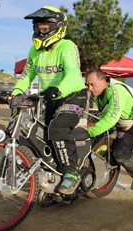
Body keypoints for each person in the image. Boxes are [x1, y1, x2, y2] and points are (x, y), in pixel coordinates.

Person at [10, 6, 88, 195]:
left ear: (58, 27)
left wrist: (59, 89)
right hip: (51, 98)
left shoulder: (67, 46)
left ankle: (71, 172)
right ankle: (52, 176)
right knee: (40, 135)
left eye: (44, 28)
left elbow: (73, 75)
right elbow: (26, 77)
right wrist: (15, 93)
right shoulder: (34, 51)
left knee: (57, 129)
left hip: (73, 95)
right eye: (37, 27)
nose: (39, 32)